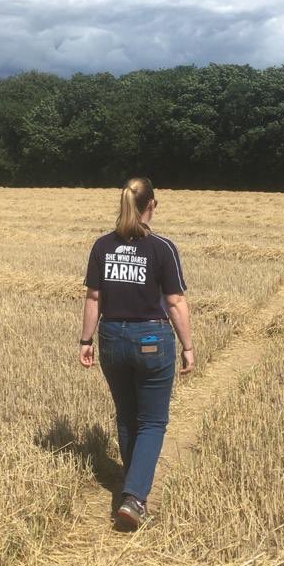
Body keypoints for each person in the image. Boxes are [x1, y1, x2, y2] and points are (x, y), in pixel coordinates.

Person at [79, 176, 194, 528]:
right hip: (152, 340)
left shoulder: (102, 246)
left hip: (112, 337)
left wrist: (86, 341)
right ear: (152, 205)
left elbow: (94, 298)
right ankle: (135, 498)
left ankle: (131, 486)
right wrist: (188, 346)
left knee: (127, 416)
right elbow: (174, 302)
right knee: (153, 421)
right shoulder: (162, 248)